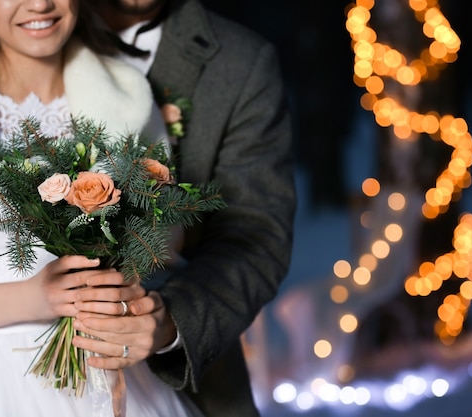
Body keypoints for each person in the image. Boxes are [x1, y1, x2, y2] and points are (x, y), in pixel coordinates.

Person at [0, 0, 201, 416]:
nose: (39, 3)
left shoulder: (126, 92)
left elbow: (164, 242)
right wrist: (39, 297)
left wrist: (119, 292)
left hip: (108, 372)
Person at [69, 1, 297, 416]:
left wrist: (170, 323)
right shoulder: (20, 30)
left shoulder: (241, 61)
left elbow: (254, 234)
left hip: (176, 388)